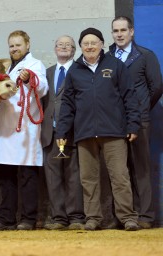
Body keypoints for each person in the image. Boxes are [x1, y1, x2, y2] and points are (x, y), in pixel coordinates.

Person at [55, 27, 141, 231]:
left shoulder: (116, 65)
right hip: (84, 133)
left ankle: (127, 217)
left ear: (102, 44)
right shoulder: (75, 70)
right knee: (88, 179)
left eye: (94, 42)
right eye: (86, 43)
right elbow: (67, 104)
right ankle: (93, 218)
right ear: (81, 47)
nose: (90, 46)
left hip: (114, 131)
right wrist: (62, 132)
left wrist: (133, 125)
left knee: (120, 176)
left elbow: (129, 96)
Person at [0, 30, 48, 231]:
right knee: (5, 175)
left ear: (27, 45)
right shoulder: (5, 67)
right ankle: (6, 218)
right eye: (11, 45)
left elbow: (43, 87)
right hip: (5, 128)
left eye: (18, 45)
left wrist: (29, 78)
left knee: (27, 175)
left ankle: (28, 219)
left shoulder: (34, 65)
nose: (14, 49)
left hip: (25, 130)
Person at [108, 16, 163, 229]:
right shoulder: (107, 56)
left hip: (139, 121)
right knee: (118, 170)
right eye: (116, 31)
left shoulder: (145, 56)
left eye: (123, 30)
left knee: (140, 168)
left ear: (132, 32)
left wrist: (140, 109)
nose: (119, 34)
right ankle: (124, 216)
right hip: (113, 123)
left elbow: (157, 86)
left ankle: (146, 216)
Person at [41, 35, 85, 230]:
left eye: (69, 45)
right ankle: (59, 218)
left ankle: (76, 217)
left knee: (74, 175)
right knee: (53, 177)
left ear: (74, 50)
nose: (64, 47)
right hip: (49, 133)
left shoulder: (80, 71)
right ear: (55, 48)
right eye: (60, 44)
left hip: (73, 132)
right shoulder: (47, 73)